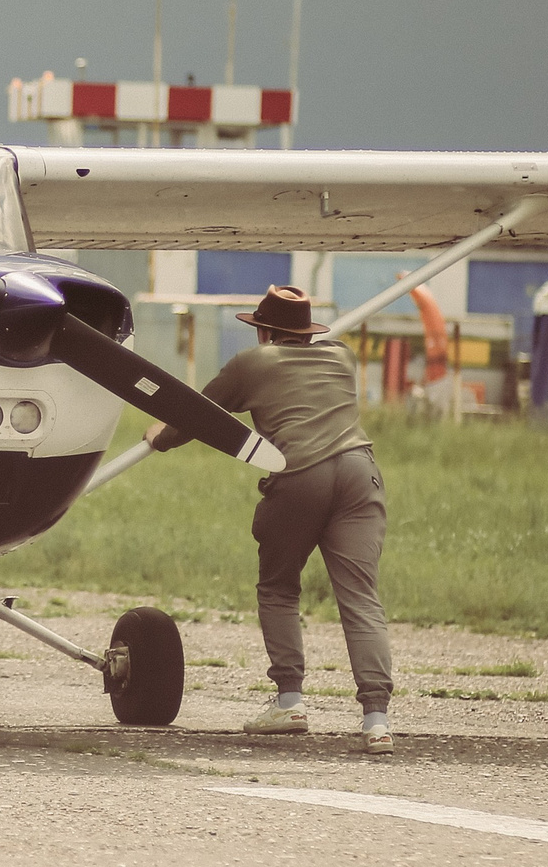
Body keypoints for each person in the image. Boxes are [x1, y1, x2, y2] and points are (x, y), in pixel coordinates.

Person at [145, 285, 395, 753]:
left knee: (279, 587)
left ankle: (290, 702)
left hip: (300, 474)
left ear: (263, 331)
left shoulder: (253, 364)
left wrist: (161, 436)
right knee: (361, 597)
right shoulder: (342, 357)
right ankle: (376, 721)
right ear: (308, 331)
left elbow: (197, 414)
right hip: (360, 474)